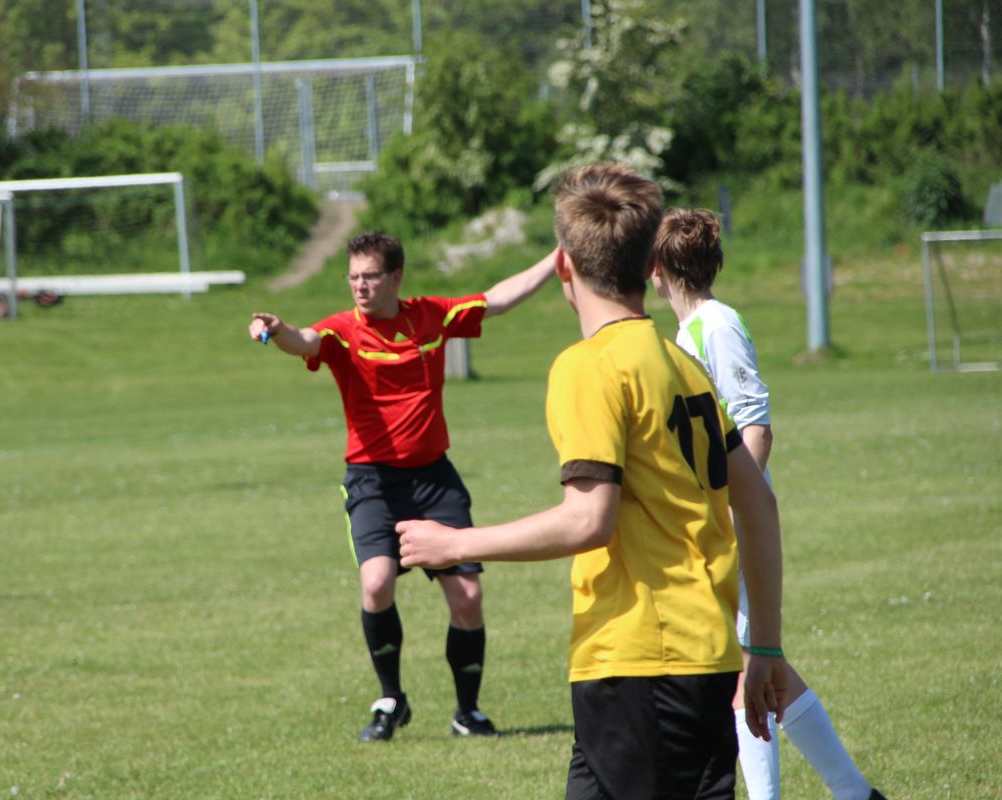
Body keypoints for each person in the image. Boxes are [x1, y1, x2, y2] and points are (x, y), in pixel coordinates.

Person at [396, 163, 791, 800]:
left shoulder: (589, 366)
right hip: (694, 655)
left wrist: (455, 543)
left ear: (564, 266)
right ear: (649, 263)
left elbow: (588, 519)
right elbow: (759, 502)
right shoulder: (681, 364)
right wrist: (765, 646)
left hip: (643, 661)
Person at [248, 231, 557, 741]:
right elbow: (303, 341)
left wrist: (557, 258)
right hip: (371, 480)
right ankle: (391, 700)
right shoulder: (343, 331)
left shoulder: (430, 316)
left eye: (370, 276)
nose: (360, 286)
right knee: (376, 582)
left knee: (468, 596)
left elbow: (498, 298)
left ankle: (467, 713)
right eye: (353, 277)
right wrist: (276, 329)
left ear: (396, 277)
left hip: (434, 478)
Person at [650, 208, 886, 800]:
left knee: (742, 662)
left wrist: (735, 511)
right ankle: (856, 793)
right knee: (759, 661)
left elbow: (755, 425)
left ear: (659, 269)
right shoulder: (690, 331)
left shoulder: (716, 325)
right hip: (716, 520)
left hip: (734, 521)